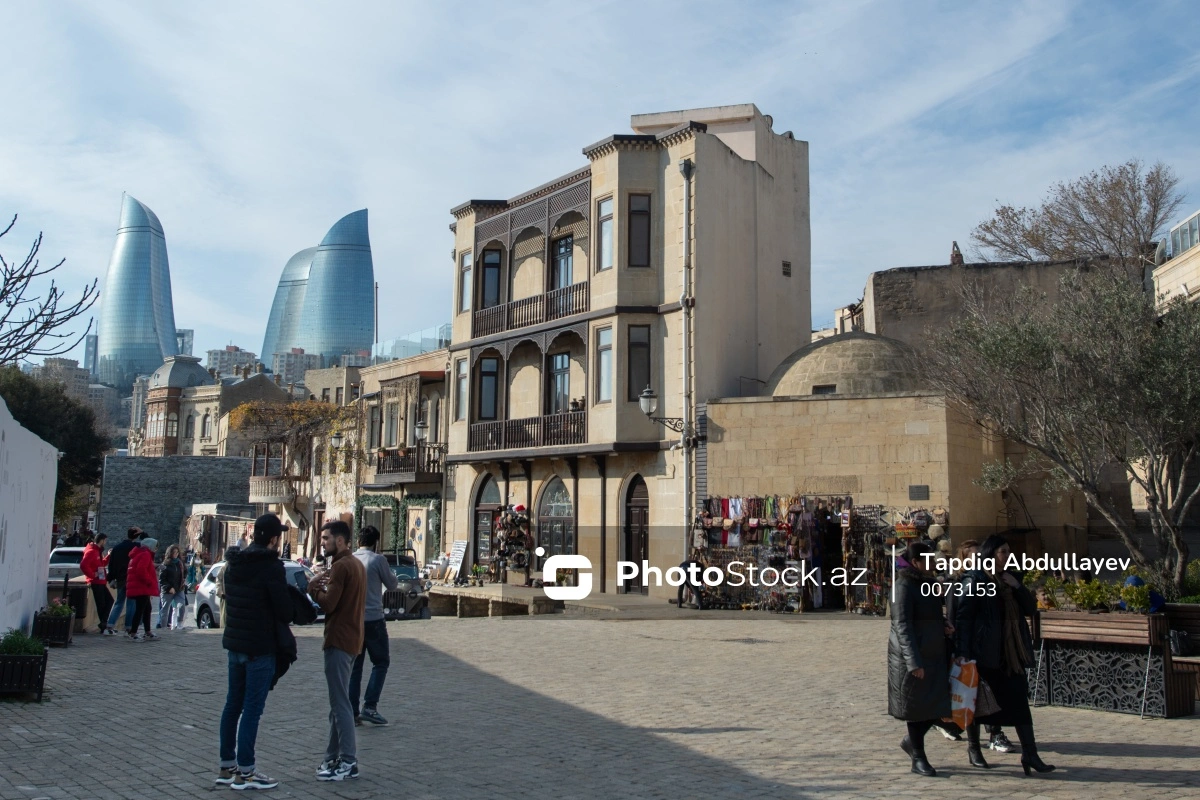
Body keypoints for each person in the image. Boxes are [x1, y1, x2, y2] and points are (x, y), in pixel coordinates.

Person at [954, 534, 1054, 776]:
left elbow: (1031, 610)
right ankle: (974, 749)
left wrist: (1017, 587)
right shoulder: (975, 580)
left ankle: (1030, 754)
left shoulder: (1011, 579)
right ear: (990, 554)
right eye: (1002, 552)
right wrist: (963, 653)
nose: (1007, 556)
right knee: (978, 704)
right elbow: (963, 618)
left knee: (1020, 702)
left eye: (1009, 551)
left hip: (1010, 654)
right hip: (984, 652)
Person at [216, 513, 292, 791]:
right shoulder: (271, 567)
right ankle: (246, 772)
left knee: (232, 704)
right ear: (273, 539)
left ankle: (227, 766)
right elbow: (283, 610)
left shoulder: (233, 564)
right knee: (252, 709)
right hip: (260, 646)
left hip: (235, 643)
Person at [308, 520, 366, 782]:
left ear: (340, 541)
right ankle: (332, 757)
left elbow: (329, 605)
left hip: (339, 641)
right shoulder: (355, 564)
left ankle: (349, 761)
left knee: (340, 704)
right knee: (338, 703)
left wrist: (313, 590)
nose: (322, 542)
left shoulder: (342, 566)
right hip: (353, 639)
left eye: (326, 538)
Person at [888, 541, 952, 777]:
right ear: (916, 562)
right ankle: (918, 757)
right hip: (912, 656)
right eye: (929, 559)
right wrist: (913, 662)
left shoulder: (928, 583)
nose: (934, 564)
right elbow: (902, 625)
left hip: (933, 651)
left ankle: (911, 743)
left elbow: (931, 614)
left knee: (937, 705)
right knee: (917, 708)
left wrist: (944, 625)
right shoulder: (902, 586)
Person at [348, 525, 399, 726]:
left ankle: (352, 711)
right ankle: (370, 706)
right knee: (381, 662)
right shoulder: (378, 560)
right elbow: (392, 584)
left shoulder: (350, 560)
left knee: (355, 667)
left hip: (353, 620)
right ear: (376, 542)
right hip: (374, 619)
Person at [104, 528, 140, 634]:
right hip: (132, 578)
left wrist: (111, 578)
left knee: (119, 602)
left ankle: (110, 626)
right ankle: (128, 627)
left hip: (120, 578)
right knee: (131, 603)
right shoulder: (137, 547)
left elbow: (112, 565)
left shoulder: (117, 548)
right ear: (136, 536)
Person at [125, 538, 160, 641]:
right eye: (155, 546)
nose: (156, 549)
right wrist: (149, 581)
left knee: (146, 609)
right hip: (142, 586)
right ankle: (134, 633)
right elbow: (141, 570)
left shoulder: (139, 554)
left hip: (138, 586)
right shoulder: (145, 554)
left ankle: (147, 631)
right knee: (140, 610)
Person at [80, 532, 113, 634]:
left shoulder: (97, 551)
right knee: (102, 604)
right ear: (101, 540)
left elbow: (101, 563)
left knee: (109, 601)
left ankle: (103, 623)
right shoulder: (91, 551)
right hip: (96, 581)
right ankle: (104, 626)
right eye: (105, 540)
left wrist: (108, 556)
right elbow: (83, 565)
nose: (105, 542)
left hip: (101, 581)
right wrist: (92, 575)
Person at [158, 545, 187, 630]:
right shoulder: (165, 564)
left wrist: (183, 579)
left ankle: (179, 624)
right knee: (165, 609)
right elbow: (162, 579)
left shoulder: (180, 563)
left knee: (181, 605)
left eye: (177, 553)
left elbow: (185, 571)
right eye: (174, 553)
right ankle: (163, 627)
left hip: (179, 589)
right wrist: (169, 587)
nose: (176, 554)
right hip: (167, 590)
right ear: (170, 553)